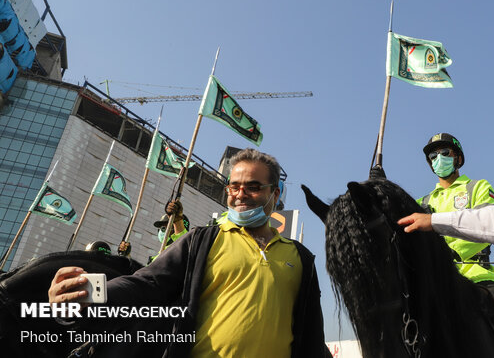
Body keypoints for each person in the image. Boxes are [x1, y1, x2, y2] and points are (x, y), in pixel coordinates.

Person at [49, 148, 329, 358]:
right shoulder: (202, 240)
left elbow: (312, 336)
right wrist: (87, 292)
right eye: (234, 186)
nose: (240, 194)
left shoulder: (301, 258)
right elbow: (146, 282)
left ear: (275, 194)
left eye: (253, 187)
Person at [417, 133, 494, 357]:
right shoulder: (422, 202)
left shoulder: (477, 187)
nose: (438, 158)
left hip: (478, 276)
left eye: (445, 153)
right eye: (433, 156)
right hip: (435, 282)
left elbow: (487, 222)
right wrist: (379, 185)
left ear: (458, 159)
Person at [147, 199, 190, 264]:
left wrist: (177, 222)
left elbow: (182, 239)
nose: (163, 229)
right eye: (162, 227)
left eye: (168, 225)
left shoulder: (184, 252)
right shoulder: (155, 258)